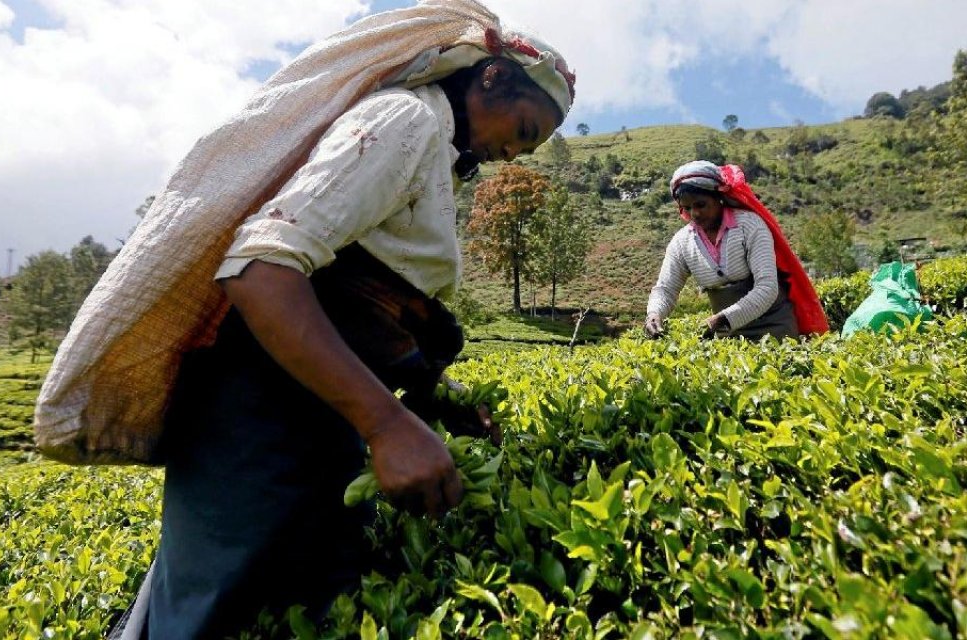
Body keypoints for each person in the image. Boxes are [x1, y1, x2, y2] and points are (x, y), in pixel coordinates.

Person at [33, 2, 577, 638]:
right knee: (214, 603)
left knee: (287, 597)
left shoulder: (432, 147)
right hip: (259, 410)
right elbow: (261, 270)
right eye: (523, 127)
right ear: (490, 78)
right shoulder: (405, 122)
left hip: (314, 408)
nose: (514, 152)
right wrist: (386, 422)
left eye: (529, 147)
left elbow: (359, 295)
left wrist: (429, 392)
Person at [644, 160, 828, 341]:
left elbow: (767, 287)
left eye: (701, 205)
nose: (694, 214)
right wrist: (654, 314)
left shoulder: (749, 225)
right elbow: (666, 289)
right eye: (687, 208)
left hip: (774, 327)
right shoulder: (682, 243)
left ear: (719, 198)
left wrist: (724, 318)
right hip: (728, 333)